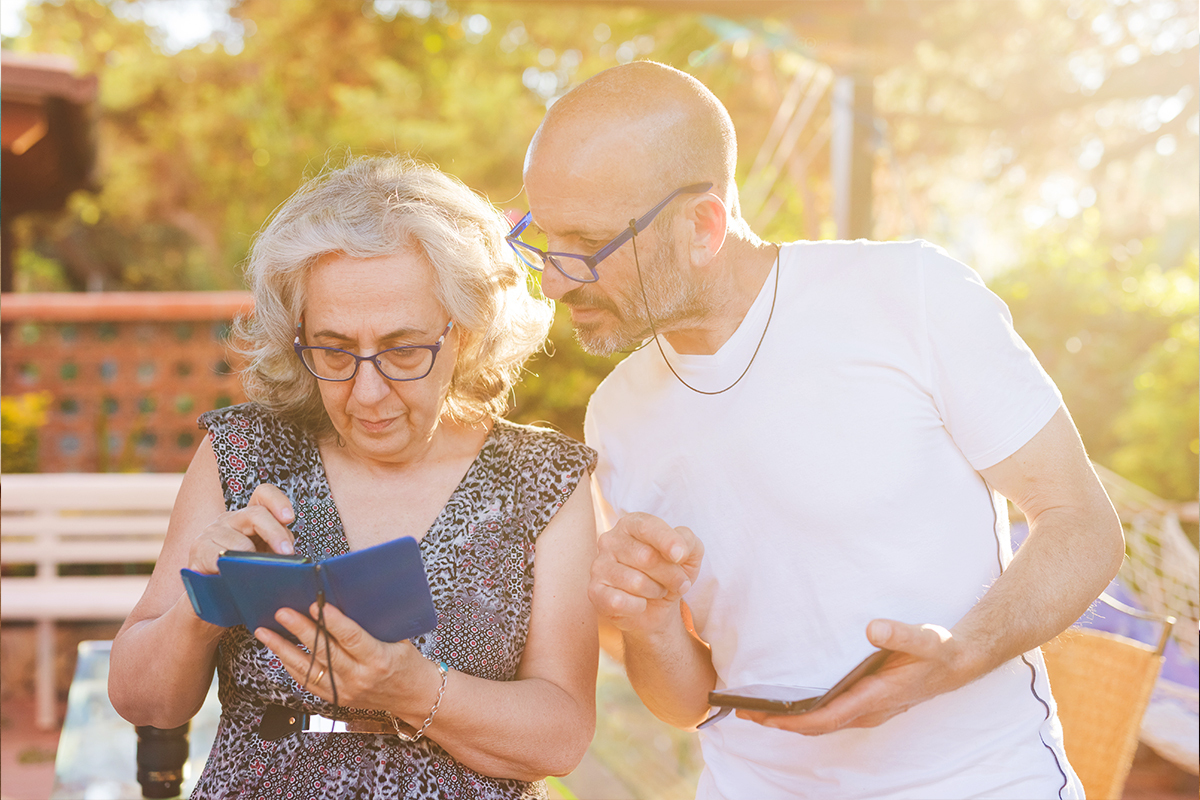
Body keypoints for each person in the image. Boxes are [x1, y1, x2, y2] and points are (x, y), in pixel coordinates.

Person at [511, 61, 1125, 799]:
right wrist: (646, 623)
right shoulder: (617, 413)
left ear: (702, 225)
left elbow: (1083, 526)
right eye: (542, 238)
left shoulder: (912, 296)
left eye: (586, 244)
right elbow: (686, 702)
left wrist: (963, 653)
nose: (552, 280)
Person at [109, 155, 599, 800]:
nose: (367, 393)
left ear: (468, 331)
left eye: (402, 349)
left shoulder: (543, 480)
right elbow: (144, 703)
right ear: (297, 337)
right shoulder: (244, 450)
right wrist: (200, 603)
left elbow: (561, 737)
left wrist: (411, 689)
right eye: (334, 349)